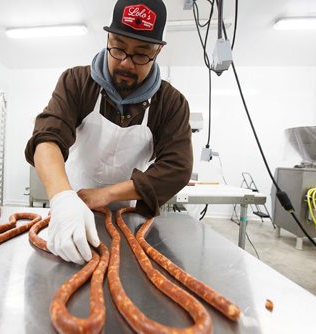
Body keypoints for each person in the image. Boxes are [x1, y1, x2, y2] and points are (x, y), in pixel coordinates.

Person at [25, 0, 193, 265]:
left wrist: (106, 194)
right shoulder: (76, 82)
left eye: (141, 54)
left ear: (158, 51)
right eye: (118, 48)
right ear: (107, 38)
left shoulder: (171, 103)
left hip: (127, 215)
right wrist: (61, 199)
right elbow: (47, 138)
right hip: (73, 204)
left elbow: (177, 168)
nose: (126, 63)